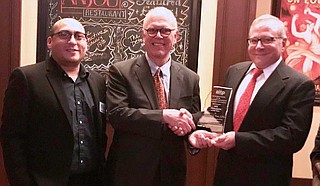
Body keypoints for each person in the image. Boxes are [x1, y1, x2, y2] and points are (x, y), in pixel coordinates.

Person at [189, 14, 315, 186]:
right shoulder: (234, 72)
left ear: (283, 43)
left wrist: (238, 140)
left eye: (267, 40)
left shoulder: (299, 84)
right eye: (254, 40)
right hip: (224, 176)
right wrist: (198, 131)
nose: (259, 46)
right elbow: (219, 116)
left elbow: (291, 137)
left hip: (266, 179)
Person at [0, 18, 107, 186]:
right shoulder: (27, 78)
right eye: (64, 35)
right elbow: (12, 138)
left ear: (86, 43)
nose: (72, 41)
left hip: (91, 179)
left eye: (79, 36)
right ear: (50, 41)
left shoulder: (98, 82)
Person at [106, 7, 202, 186]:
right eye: (152, 30)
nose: (159, 36)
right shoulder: (121, 72)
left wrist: (189, 131)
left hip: (172, 172)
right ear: (143, 35)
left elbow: (194, 119)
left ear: (176, 36)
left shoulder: (191, 78)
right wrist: (164, 116)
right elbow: (117, 115)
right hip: (130, 172)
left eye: (166, 30)